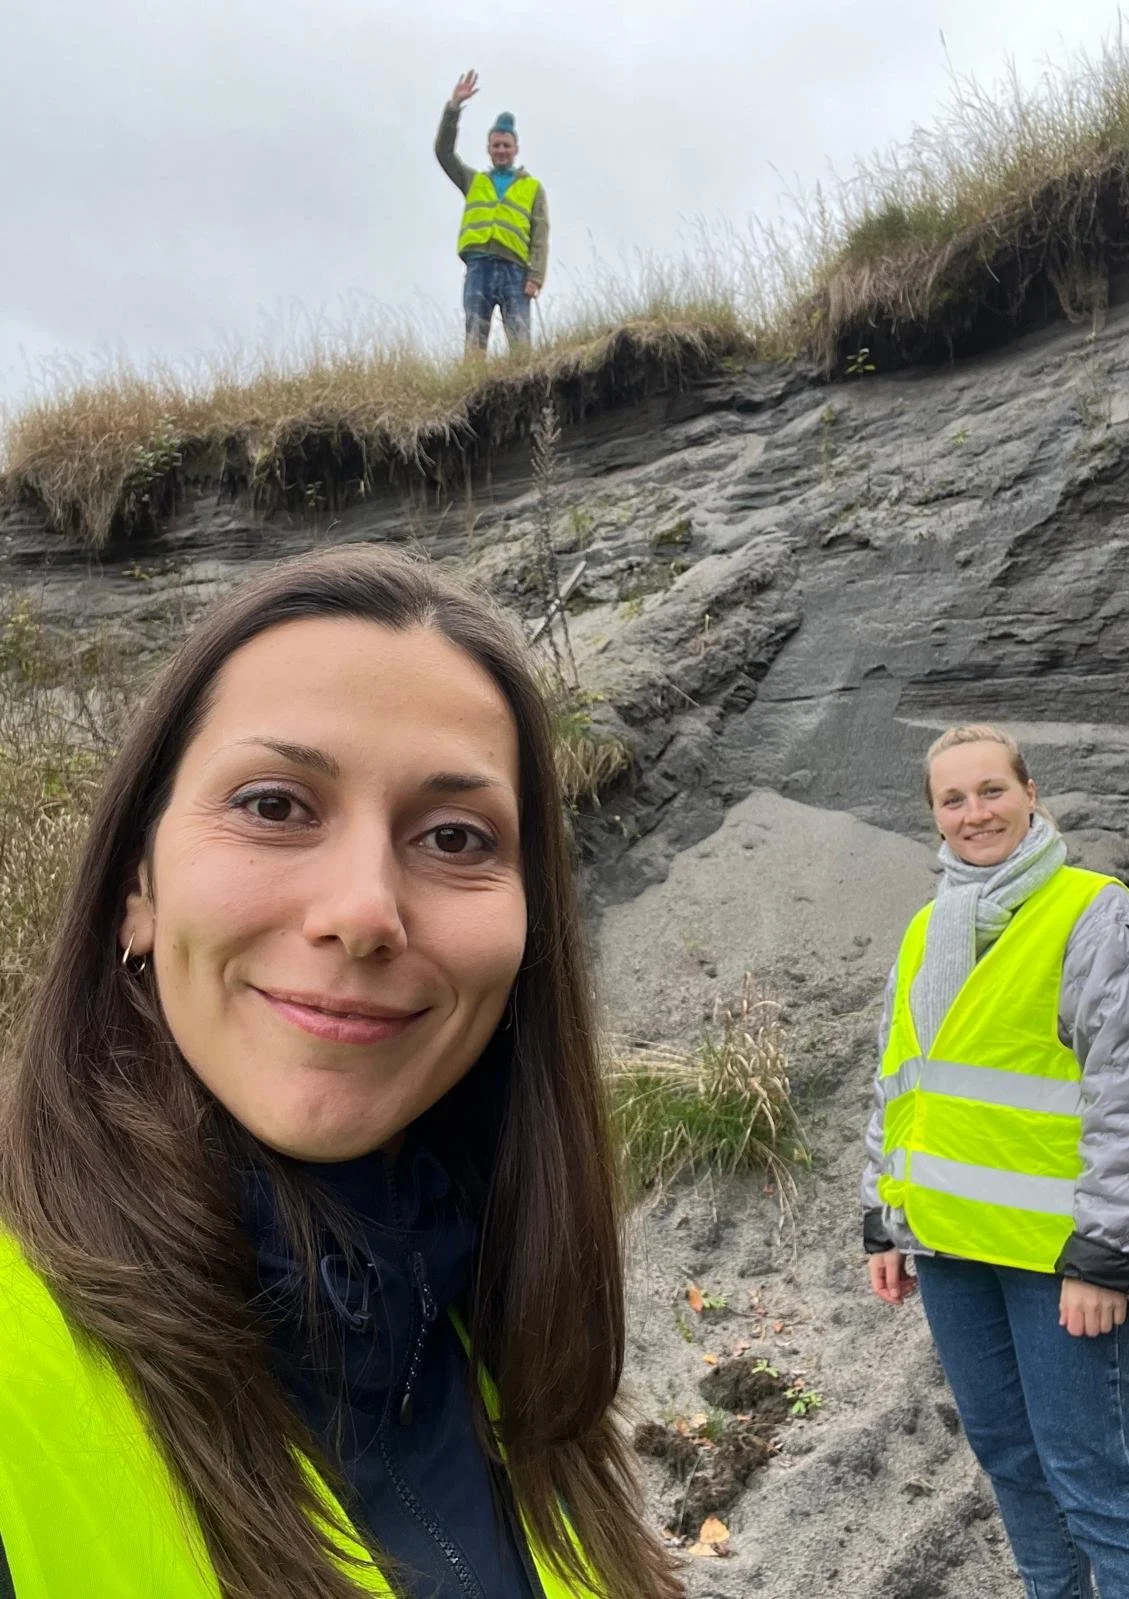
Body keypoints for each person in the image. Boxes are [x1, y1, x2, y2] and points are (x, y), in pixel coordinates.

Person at [0, 547, 682, 1599]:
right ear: (138, 886)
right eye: (274, 806)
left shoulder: (507, 1324)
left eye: (454, 836)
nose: (364, 911)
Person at [862, 723, 1129, 1599]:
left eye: (992, 790)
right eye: (954, 798)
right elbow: (900, 1084)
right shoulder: (928, 930)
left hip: (1061, 1257)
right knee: (1011, 1458)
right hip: (951, 1249)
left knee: (1097, 1482)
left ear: (1031, 793)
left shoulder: (1095, 914)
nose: (976, 812)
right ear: (934, 814)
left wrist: (1108, 1257)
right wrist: (885, 1218)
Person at [436, 69, 549, 354]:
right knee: (474, 339)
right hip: (479, 267)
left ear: (516, 149)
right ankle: (473, 380)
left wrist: (536, 276)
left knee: (520, 344)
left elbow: (540, 235)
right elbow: (444, 153)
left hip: (515, 271)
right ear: (488, 148)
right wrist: (453, 108)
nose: (501, 150)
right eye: (496, 145)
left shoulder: (532, 188)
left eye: (506, 146)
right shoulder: (474, 180)